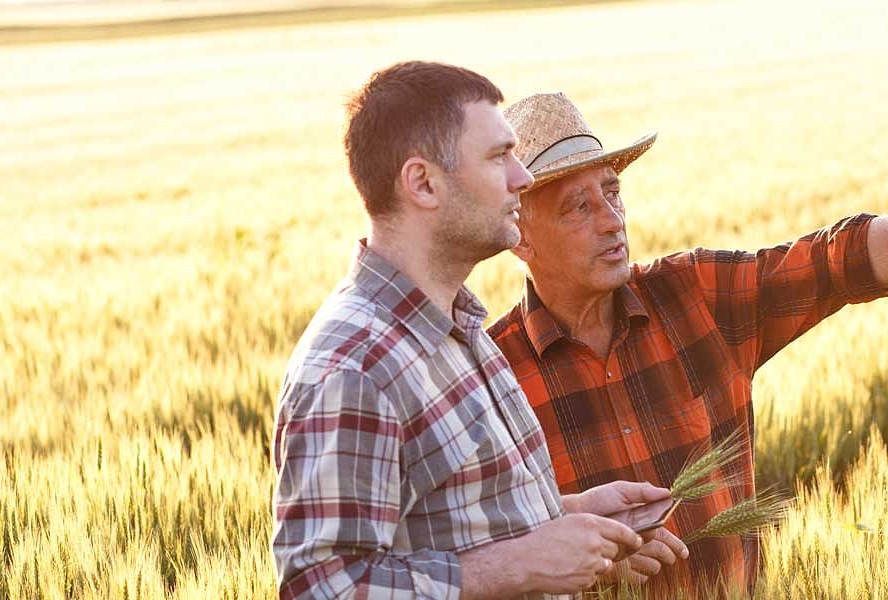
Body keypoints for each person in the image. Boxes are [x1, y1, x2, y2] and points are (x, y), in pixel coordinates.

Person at [488, 92, 888, 596]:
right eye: (578, 207)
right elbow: (473, 552)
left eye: (612, 193)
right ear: (519, 235)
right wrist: (577, 569)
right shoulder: (489, 378)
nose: (612, 220)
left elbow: (833, 262)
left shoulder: (694, 296)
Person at [270, 64, 685, 600]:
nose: (523, 177)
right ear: (422, 183)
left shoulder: (460, 328)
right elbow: (319, 588)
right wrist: (518, 564)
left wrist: (569, 516)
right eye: (498, 157)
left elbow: (454, 522)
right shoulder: (355, 368)